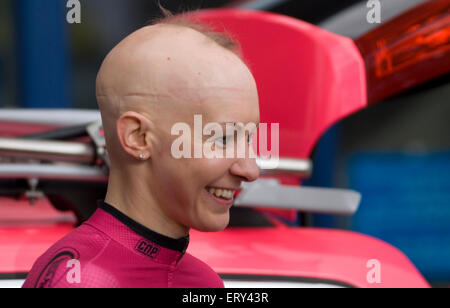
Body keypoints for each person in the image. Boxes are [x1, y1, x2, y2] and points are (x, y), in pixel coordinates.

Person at [23, 9, 260, 288]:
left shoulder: (204, 283)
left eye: (249, 139)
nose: (250, 169)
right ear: (138, 137)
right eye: (222, 139)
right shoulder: (81, 280)